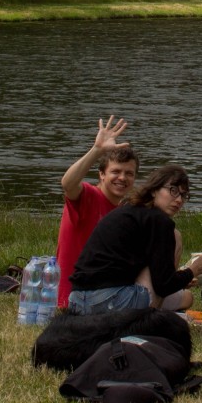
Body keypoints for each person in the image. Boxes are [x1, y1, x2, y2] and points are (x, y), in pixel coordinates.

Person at [66, 165, 202, 315]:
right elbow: (164, 286)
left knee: (186, 297)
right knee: (175, 236)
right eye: (173, 190)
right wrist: (194, 269)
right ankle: (150, 318)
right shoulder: (159, 220)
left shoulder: (130, 210)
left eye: (183, 195)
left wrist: (179, 279)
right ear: (154, 190)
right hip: (108, 300)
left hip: (77, 301)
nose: (178, 200)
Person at [56, 116, 138, 308]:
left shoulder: (126, 210)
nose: (122, 178)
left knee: (184, 296)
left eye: (129, 173)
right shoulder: (88, 196)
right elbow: (67, 184)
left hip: (105, 290)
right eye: (116, 172)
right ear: (101, 174)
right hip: (74, 296)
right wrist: (97, 150)